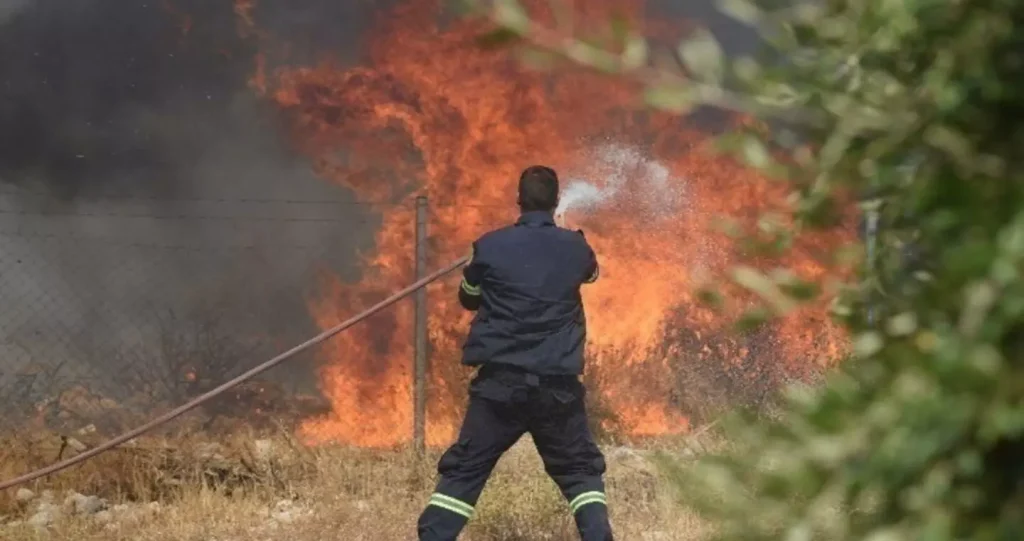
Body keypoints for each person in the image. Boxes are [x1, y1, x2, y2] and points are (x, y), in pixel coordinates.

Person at [417, 165, 612, 541]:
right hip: (557, 389)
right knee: (580, 473)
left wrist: (476, 269)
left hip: (499, 389)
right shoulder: (576, 246)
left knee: (465, 471)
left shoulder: (489, 246)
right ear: (556, 201)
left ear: (518, 200)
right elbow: (590, 275)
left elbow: (468, 299)